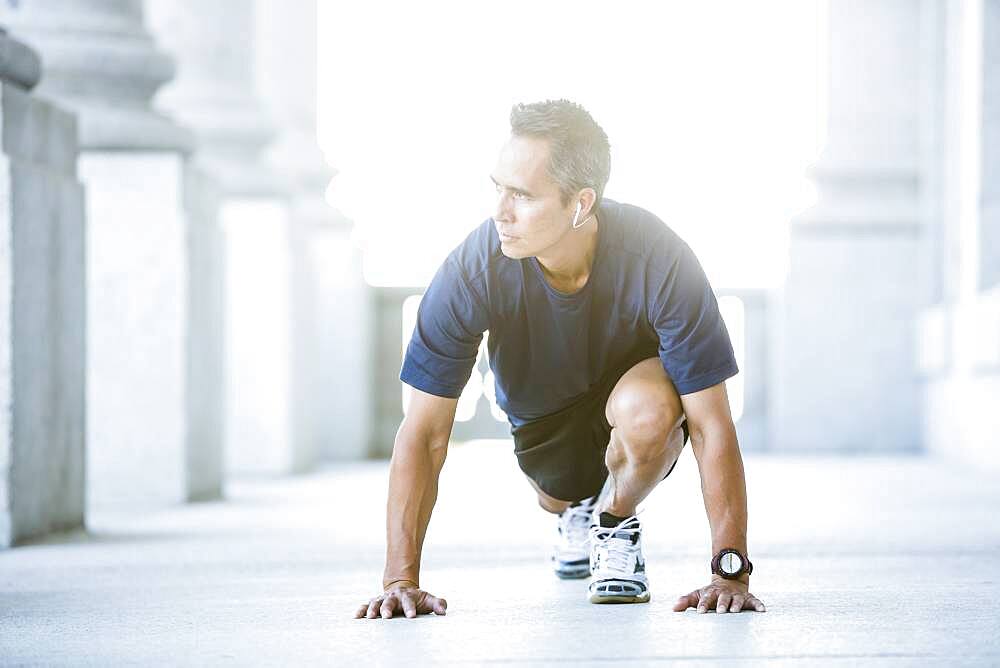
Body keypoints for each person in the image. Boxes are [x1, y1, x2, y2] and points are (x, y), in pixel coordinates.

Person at [354, 99, 766, 619]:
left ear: (581, 203)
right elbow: (425, 432)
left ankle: (614, 522)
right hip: (543, 426)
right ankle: (575, 512)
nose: (499, 211)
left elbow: (710, 424)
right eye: (497, 188)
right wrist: (400, 579)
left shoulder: (659, 257)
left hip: (635, 403)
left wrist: (729, 572)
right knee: (558, 495)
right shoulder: (472, 270)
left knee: (649, 411)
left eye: (522, 195)